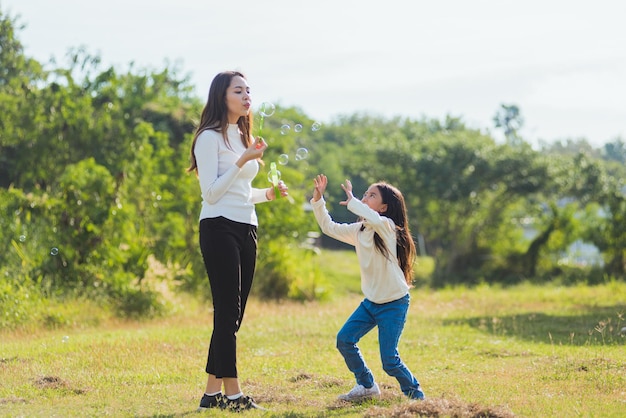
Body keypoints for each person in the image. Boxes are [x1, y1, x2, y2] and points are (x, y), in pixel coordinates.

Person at [187, 70, 288, 411]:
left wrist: (268, 194)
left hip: (247, 226)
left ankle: (209, 395)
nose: (247, 96)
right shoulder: (209, 138)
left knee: (234, 315)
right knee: (228, 311)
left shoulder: (244, 137)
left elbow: (242, 191)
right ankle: (233, 396)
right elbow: (213, 193)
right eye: (239, 90)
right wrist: (243, 160)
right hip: (218, 227)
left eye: (249, 91)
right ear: (222, 96)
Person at [310, 174, 425, 401]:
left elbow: (372, 217)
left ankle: (416, 396)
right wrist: (318, 200)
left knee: (390, 361)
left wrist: (353, 201)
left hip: (394, 303)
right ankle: (367, 385)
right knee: (344, 339)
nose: (365, 197)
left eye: (371, 195)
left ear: (384, 207)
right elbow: (328, 227)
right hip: (371, 302)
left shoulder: (389, 227)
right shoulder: (359, 230)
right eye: (365, 194)